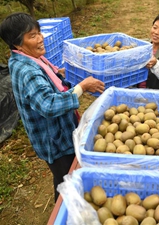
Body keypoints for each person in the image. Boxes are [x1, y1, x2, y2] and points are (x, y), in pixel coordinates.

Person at [0, 12, 105, 202]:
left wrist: (60, 73)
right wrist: (82, 87)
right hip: (54, 140)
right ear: (17, 43)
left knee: (63, 176)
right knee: (65, 180)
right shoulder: (27, 71)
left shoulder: (26, 58)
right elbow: (48, 105)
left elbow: (48, 77)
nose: (40, 39)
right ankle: (62, 213)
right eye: (32, 36)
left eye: (39, 33)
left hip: (58, 132)